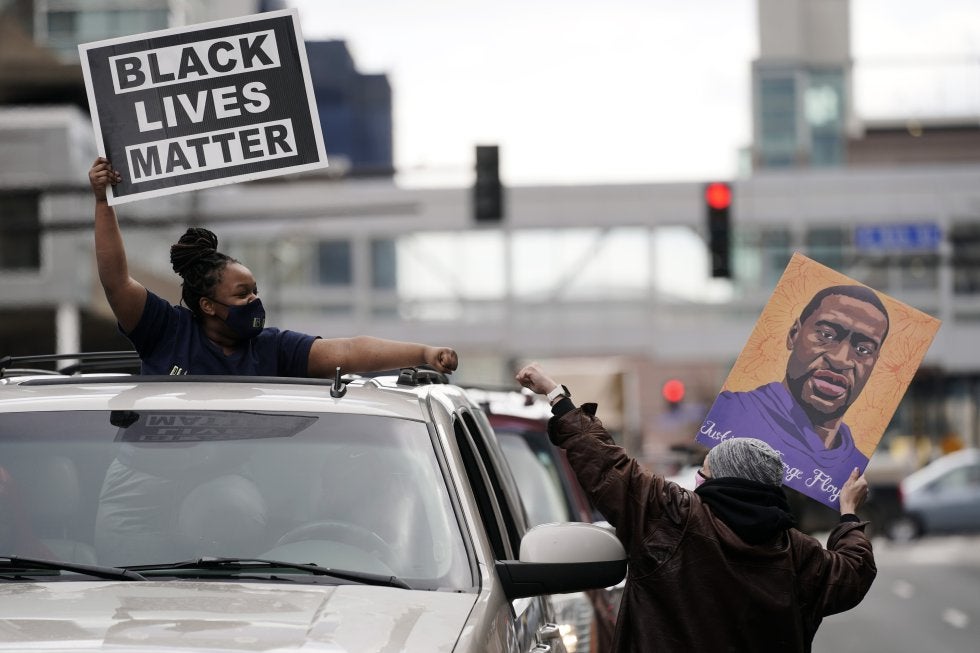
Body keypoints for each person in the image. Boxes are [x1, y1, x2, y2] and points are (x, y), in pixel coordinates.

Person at [516, 362, 877, 653]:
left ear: (719, 481)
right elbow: (852, 572)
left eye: (704, 473)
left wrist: (557, 395)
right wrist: (848, 513)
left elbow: (606, 464)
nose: (698, 480)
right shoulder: (798, 553)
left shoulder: (674, 516)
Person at [89, 157, 457, 376]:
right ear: (207, 305)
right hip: (147, 472)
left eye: (255, 291)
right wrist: (103, 202)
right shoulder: (165, 330)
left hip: (231, 479)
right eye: (242, 294)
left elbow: (348, 351)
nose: (254, 300)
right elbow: (115, 281)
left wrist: (423, 354)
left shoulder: (273, 349)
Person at [698, 284, 889, 500]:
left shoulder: (849, 473)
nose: (840, 360)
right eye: (826, 334)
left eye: (863, 349)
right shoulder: (732, 414)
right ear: (793, 334)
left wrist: (848, 511)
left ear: (874, 364)